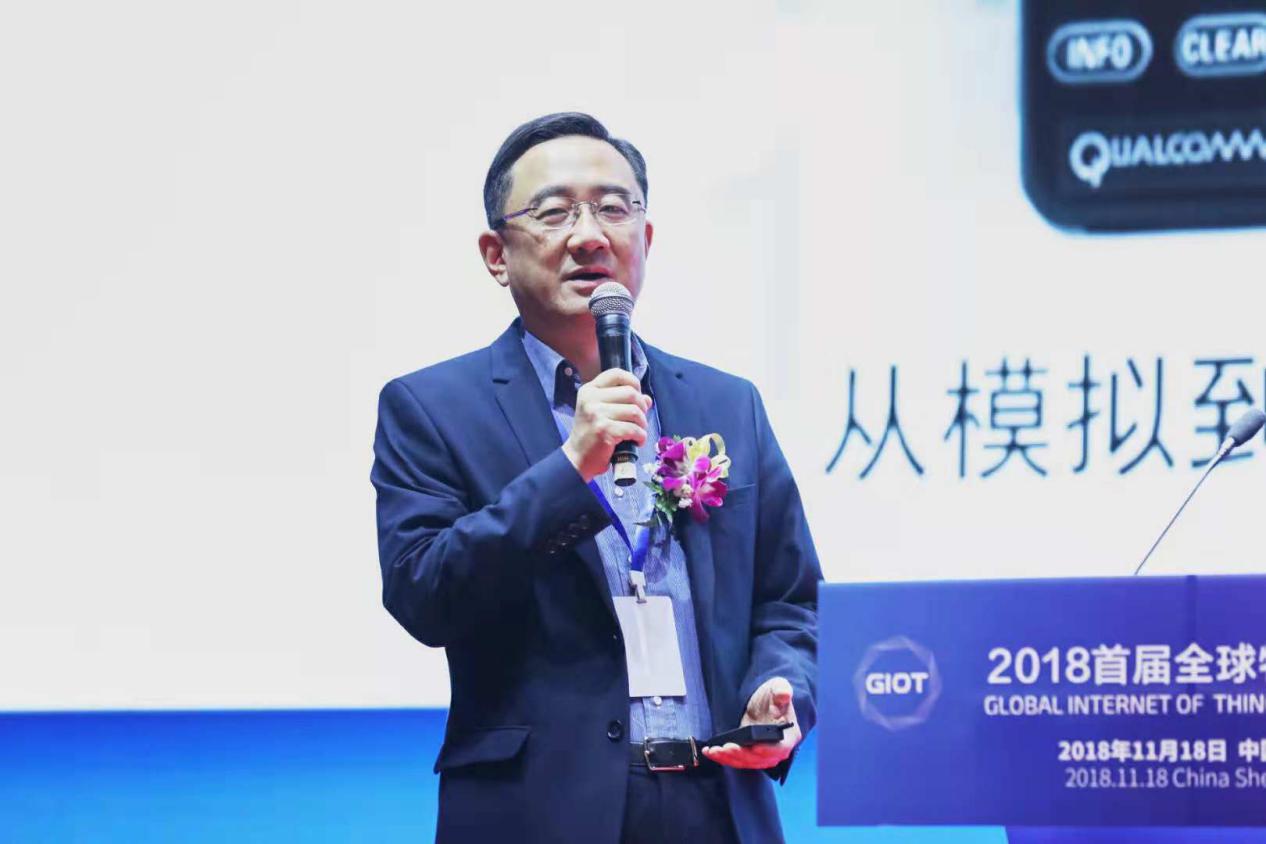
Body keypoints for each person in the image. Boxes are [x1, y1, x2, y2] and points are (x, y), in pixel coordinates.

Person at [371, 112, 821, 844]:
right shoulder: (432, 408)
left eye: (615, 208)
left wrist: (782, 687)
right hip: (540, 811)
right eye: (554, 213)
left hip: (716, 804)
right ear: (496, 254)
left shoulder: (726, 404)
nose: (590, 235)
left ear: (647, 239)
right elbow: (425, 593)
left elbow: (790, 600)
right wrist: (568, 467)